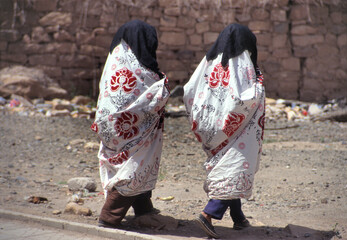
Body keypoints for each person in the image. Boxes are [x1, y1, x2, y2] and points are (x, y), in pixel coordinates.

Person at [183, 23, 265, 239]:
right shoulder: (242, 65)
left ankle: (239, 218)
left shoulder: (208, 63)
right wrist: (260, 85)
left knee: (229, 168)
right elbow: (246, 98)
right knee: (235, 167)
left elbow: (189, 90)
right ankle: (208, 214)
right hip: (236, 129)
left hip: (210, 130)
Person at [91, 19, 170, 229]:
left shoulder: (115, 60)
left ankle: (143, 206)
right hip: (133, 129)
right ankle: (109, 216)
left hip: (108, 126)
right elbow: (152, 97)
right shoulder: (142, 71)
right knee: (136, 163)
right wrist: (164, 87)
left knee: (130, 162)